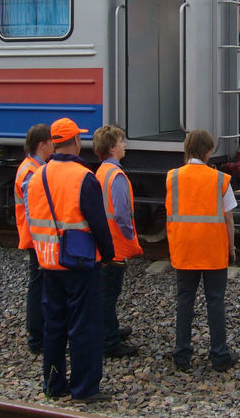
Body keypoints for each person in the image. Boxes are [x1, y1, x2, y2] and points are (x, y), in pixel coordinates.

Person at [26, 118, 115, 404]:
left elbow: (32, 217)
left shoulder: (37, 175)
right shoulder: (83, 176)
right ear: (75, 142)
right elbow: (99, 224)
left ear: (53, 143)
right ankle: (85, 388)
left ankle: (53, 384)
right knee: (83, 326)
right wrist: (109, 254)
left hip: (48, 262)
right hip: (79, 261)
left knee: (54, 326)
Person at [165, 129, 239, 373]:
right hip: (213, 250)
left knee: (185, 300)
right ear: (209, 151)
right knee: (215, 301)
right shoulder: (220, 179)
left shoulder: (172, 177)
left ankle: (182, 354)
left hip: (184, 249)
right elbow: (229, 219)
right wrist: (232, 247)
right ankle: (219, 355)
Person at [93, 125, 142, 358]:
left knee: (105, 292)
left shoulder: (101, 172)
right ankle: (109, 342)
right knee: (109, 293)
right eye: (122, 142)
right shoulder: (118, 176)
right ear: (112, 148)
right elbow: (122, 213)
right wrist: (130, 235)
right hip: (115, 243)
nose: (125, 145)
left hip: (103, 241)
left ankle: (110, 330)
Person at [14, 123, 54, 354]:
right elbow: (34, 210)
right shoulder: (32, 172)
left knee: (39, 286)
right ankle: (37, 339)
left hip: (35, 237)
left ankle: (39, 335)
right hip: (37, 239)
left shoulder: (31, 167)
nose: (54, 146)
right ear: (42, 144)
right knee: (38, 287)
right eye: (51, 142)